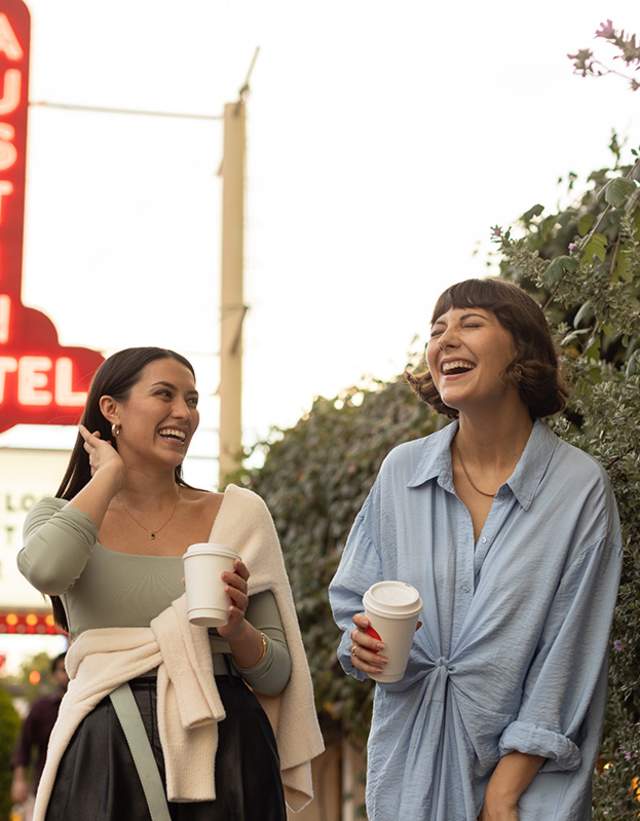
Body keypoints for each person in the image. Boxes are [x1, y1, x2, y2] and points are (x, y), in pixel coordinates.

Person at [329, 278, 622, 821]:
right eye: (437, 329)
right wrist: (363, 645)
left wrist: (503, 794)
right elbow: (357, 601)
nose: (445, 340)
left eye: (470, 323)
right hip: (410, 776)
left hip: (526, 790)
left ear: (521, 351)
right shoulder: (402, 472)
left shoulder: (578, 488)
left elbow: (571, 654)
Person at [18, 347, 323, 821]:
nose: (184, 412)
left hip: (229, 752)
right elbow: (47, 571)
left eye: (192, 399)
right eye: (165, 394)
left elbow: (277, 674)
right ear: (111, 409)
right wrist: (109, 478)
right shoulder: (61, 517)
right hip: (105, 750)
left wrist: (236, 627)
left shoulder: (238, 515)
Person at [10, 653, 69, 816]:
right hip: (45, 788)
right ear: (54, 675)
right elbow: (24, 745)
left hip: (81, 789)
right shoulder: (41, 708)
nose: (68, 674)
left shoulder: (96, 706)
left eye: (70, 668)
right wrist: (19, 780)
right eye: (63, 670)